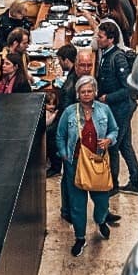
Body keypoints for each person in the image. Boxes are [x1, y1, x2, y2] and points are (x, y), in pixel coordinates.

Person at [55, 75, 118, 257]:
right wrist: (65, 155)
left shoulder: (104, 110)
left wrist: (109, 140)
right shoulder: (69, 112)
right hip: (75, 164)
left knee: (101, 200)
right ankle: (80, 237)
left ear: (95, 92)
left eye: (90, 91)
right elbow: (60, 136)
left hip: (97, 163)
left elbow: (115, 130)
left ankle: (100, 220)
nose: (87, 94)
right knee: (77, 203)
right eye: (83, 91)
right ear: (77, 94)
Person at [95, 21, 138, 195]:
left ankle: (113, 184)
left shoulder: (117, 58)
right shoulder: (105, 53)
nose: (97, 39)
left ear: (111, 39)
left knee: (113, 145)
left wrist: (108, 97)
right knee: (125, 145)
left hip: (121, 109)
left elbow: (127, 87)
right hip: (117, 108)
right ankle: (135, 180)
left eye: (100, 36)